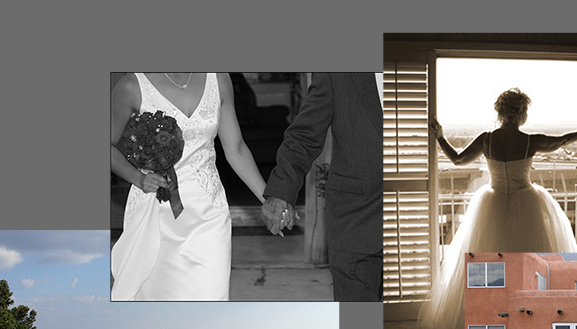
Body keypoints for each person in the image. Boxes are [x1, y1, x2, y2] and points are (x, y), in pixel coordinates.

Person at [417, 89, 577, 329]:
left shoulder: (487, 140)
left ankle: (490, 319)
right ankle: (529, 318)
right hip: (527, 204)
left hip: (493, 204)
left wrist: (440, 137)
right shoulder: (528, 141)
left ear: (499, 113)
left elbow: (456, 160)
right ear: (522, 113)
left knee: (490, 266)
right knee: (532, 265)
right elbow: (560, 141)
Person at [111, 73, 268, 300]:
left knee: (210, 293)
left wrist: (269, 199)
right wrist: (138, 178)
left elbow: (236, 149)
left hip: (209, 213)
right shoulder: (132, 84)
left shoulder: (219, 80)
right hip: (156, 209)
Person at [260, 72, 382, 301]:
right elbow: (304, 136)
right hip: (357, 219)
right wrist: (279, 193)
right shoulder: (336, 72)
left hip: (413, 223)